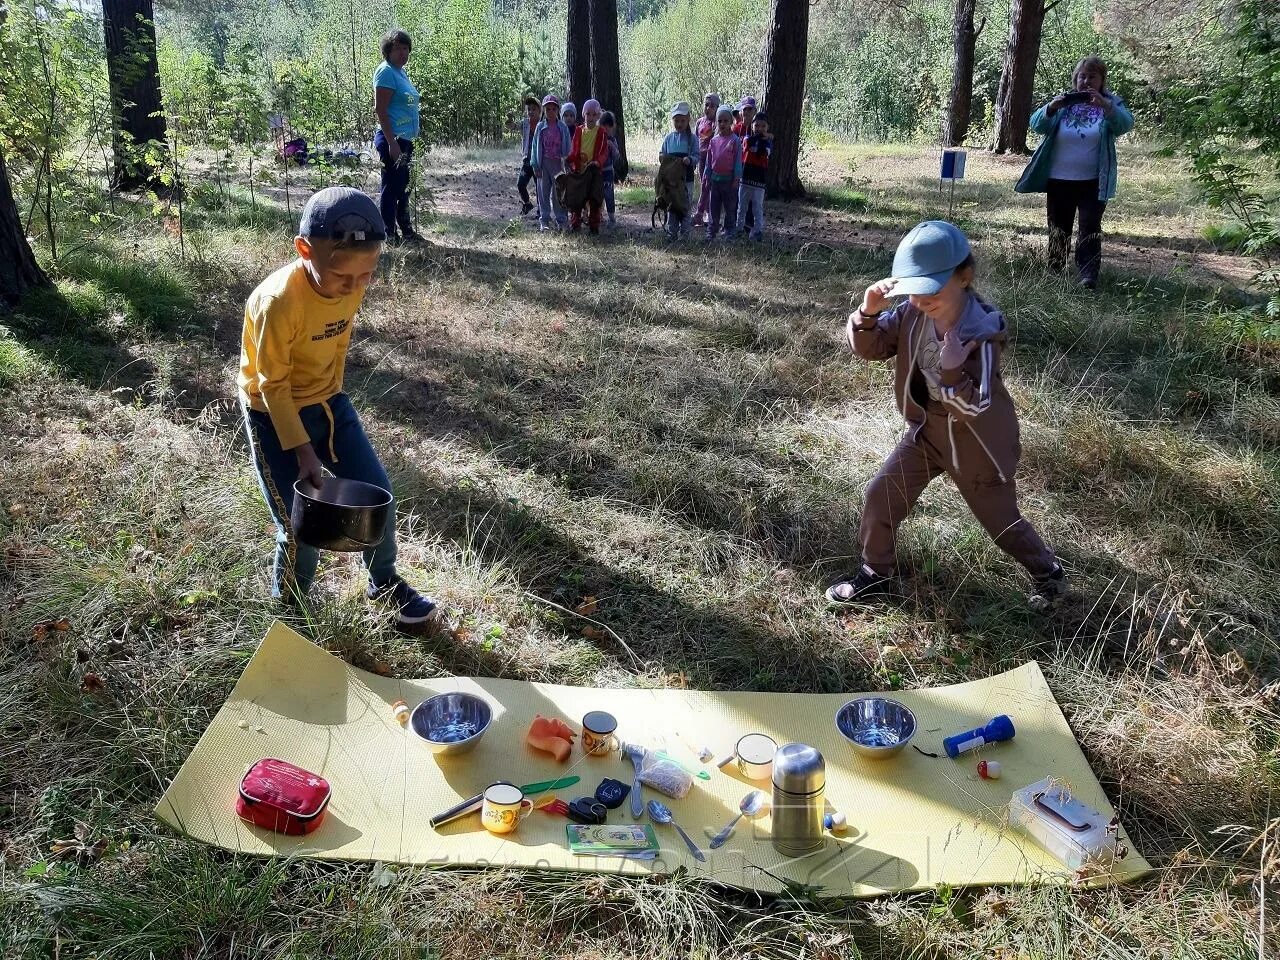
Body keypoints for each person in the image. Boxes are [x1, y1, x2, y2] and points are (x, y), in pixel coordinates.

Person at [828, 220, 1069, 612]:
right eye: (913, 290)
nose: (920, 299)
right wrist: (868, 313)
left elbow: (978, 406)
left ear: (964, 277)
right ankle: (876, 575)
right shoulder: (912, 314)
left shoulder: (982, 332)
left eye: (930, 290)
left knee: (1001, 523)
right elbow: (871, 348)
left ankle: (1049, 574)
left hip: (976, 445)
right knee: (881, 495)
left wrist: (954, 370)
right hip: (927, 432)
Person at [239, 187, 445, 631]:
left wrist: (331, 400)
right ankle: (290, 612)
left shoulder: (349, 278)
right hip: (272, 412)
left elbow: (335, 341)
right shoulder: (279, 302)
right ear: (304, 250)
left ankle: (384, 582)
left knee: (377, 494)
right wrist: (304, 451)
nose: (353, 288)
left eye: (366, 276)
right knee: (301, 522)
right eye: (342, 278)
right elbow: (272, 385)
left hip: (329, 402)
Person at [1015, 56, 1134, 290]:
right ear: (1075, 79)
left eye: (1092, 76)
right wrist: (1050, 107)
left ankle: (1088, 275)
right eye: (1082, 76)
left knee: (1090, 226)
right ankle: (1055, 270)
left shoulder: (1111, 104)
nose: (1086, 81)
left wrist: (1106, 107)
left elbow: (1125, 125)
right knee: (1059, 228)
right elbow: (1036, 124)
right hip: (1059, 179)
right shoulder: (1064, 103)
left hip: (1093, 181)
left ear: (1102, 80)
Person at [372, 30, 422, 245]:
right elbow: (380, 110)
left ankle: (406, 231)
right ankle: (388, 234)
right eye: (397, 48)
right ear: (388, 51)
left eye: (405, 48)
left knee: (404, 186)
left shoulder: (401, 73)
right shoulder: (385, 72)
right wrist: (392, 143)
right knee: (391, 187)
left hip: (407, 140)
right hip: (392, 139)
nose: (403, 53)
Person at [567, 99, 609, 234]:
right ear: (584, 115)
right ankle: (575, 224)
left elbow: (604, 151)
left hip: (594, 171)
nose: (590, 117)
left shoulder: (601, 132)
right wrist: (569, 159)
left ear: (598, 116)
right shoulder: (579, 131)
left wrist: (598, 162)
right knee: (577, 198)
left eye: (594, 115)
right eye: (588, 114)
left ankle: (594, 226)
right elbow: (574, 149)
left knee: (595, 199)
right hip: (580, 170)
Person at [659, 102, 699, 240]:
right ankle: (672, 233)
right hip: (671, 182)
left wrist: (690, 160)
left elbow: (697, 156)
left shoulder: (692, 139)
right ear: (673, 121)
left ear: (688, 119)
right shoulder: (669, 138)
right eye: (677, 121)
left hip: (686, 180)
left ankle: (685, 234)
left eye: (682, 120)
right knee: (672, 206)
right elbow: (662, 153)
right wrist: (662, 158)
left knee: (685, 206)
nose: (679, 124)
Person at [530, 95, 570, 231]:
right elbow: (535, 146)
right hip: (544, 163)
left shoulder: (562, 127)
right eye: (548, 109)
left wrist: (567, 162)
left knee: (558, 193)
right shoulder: (540, 127)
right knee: (543, 192)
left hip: (558, 164)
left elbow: (568, 147)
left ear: (558, 110)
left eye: (554, 109)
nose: (551, 112)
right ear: (544, 111)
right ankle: (544, 220)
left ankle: (561, 219)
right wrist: (535, 164)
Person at [705, 106, 742, 240]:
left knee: (730, 207)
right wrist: (707, 176)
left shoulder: (735, 141)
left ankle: (729, 231)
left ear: (731, 122)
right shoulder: (713, 141)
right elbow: (709, 161)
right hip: (715, 180)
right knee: (713, 207)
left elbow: (738, 161)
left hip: (729, 181)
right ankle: (711, 231)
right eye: (720, 121)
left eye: (726, 121)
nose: (722, 124)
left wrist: (737, 178)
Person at [737, 111, 771, 241]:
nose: (759, 129)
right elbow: (748, 144)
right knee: (742, 207)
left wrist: (765, 138)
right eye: (757, 125)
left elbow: (765, 152)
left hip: (759, 182)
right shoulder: (747, 139)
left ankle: (757, 231)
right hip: (745, 179)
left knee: (757, 207)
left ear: (767, 127)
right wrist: (763, 136)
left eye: (763, 126)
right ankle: (739, 229)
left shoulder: (768, 143)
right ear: (752, 126)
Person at [692, 92, 720, 228]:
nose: (708, 108)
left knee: (706, 185)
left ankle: (700, 213)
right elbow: (696, 139)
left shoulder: (716, 123)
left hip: (711, 160)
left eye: (712, 106)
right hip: (700, 159)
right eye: (706, 105)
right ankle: (707, 213)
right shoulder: (700, 122)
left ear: (717, 108)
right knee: (704, 185)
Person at [516, 94, 542, 217]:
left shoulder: (543, 125)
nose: (531, 111)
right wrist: (509, 122)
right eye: (529, 109)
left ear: (540, 111)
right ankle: (527, 204)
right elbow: (513, 126)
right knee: (520, 184)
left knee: (540, 188)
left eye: (534, 109)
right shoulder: (525, 123)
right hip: (527, 161)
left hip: (539, 162)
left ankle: (541, 211)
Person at [601, 111, 620, 228]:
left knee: (608, 195)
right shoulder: (597, 138)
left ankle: (612, 218)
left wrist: (612, 147)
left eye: (609, 126)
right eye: (604, 125)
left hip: (608, 171)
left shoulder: (612, 140)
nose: (606, 128)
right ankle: (596, 215)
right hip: (597, 171)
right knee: (596, 195)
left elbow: (617, 156)